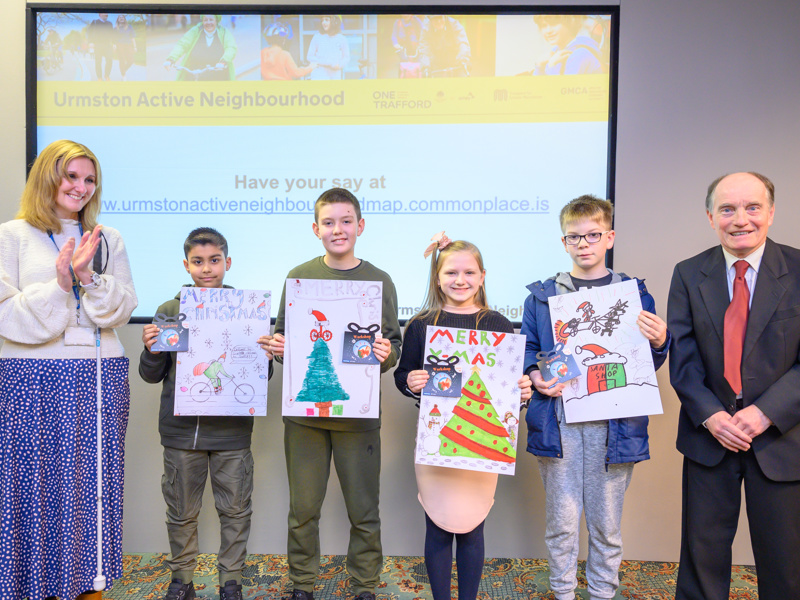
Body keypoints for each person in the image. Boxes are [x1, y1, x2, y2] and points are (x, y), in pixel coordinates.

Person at [0, 140, 138, 599]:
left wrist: (86, 278)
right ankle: (28, 583)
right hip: (29, 379)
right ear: (47, 177)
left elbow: (120, 310)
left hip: (98, 374)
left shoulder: (107, 238)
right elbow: (6, 317)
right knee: (32, 482)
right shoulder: (12, 235)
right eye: (71, 176)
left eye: (89, 179)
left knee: (89, 486)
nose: (81, 187)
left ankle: (86, 585)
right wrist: (59, 285)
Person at [520, 195, 670, 600]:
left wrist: (660, 342)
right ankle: (563, 592)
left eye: (593, 235)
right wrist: (536, 376)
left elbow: (645, 361)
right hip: (560, 420)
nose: (584, 243)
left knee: (606, 523)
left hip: (615, 425)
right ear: (564, 242)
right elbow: (525, 351)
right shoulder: (541, 296)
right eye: (575, 236)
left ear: (609, 237)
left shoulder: (633, 293)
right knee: (563, 522)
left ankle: (603, 593)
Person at [263, 188, 402, 600]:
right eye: (328, 222)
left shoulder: (380, 280)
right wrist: (279, 348)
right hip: (304, 419)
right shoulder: (299, 276)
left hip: (358, 417)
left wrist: (385, 353)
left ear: (360, 226)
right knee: (302, 511)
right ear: (315, 229)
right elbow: (287, 340)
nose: (337, 229)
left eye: (345, 221)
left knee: (364, 511)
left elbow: (391, 346)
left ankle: (364, 586)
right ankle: (302, 585)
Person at [667, 172, 800, 600]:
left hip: (782, 441)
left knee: (787, 567)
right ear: (710, 217)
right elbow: (683, 361)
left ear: (771, 212)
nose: (740, 219)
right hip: (710, 440)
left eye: (752, 207)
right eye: (727, 209)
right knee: (701, 567)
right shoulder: (688, 273)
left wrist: (764, 413)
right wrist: (712, 416)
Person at [393, 235, 532, 600]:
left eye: (469, 272)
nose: (460, 279)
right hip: (437, 438)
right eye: (451, 272)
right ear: (437, 277)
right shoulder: (421, 325)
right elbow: (402, 376)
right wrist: (411, 381)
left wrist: (522, 391)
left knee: (473, 528)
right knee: (437, 527)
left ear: (482, 276)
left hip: (482, 444)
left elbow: (506, 388)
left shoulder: (499, 324)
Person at [140, 228, 263, 600]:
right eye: (198, 262)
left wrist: (266, 353)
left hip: (231, 433)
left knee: (236, 511)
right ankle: (182, 580)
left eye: (214, 261)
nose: (206, 269)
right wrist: (152, 350)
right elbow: (150, 375)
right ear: (186, 264)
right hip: (182, 434)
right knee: (180, 511)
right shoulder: (170, 310)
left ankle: (231, 582)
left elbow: (258, 375)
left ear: (227, 262)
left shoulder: (248, 309)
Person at [164, 15, 237, 81]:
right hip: (194, 73)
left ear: (216, 21)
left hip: (218, 74)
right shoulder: (196, 30)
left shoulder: (224, 32)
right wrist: (171, 60)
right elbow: (182, 44)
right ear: (202, 21)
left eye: (211, 20)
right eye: (205, 20)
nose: (208, 22)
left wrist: (223, 62)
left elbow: (231, 48)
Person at [531, 15, 604, 75]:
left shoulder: (580, 54)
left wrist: (552, 66)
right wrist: (539, 67)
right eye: (544, 26)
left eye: (554, 24)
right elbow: (538, 90)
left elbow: (560, 91)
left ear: (569, 24)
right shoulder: (556, 53)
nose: (548, 31)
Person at [306, 15, 350, 80]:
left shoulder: (342, 38)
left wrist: (339, 65)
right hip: (319, 76)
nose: (323, 23)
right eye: (322, 20)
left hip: (335, 77)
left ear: (334, 22)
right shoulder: (317, 37)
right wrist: (326, 63)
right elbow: (309, 57)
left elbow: (346, 57)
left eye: (326, 20)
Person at [88, 12, 114, 81]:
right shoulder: (95, 22)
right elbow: (89, 32)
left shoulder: (110, 24)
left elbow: (112, 34)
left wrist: (114, 43)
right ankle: (99, 77)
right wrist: (90, 42)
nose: (106, 14)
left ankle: (106, 75)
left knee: (109, 60)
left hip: (107, 45)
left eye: (107, 14)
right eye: (104, 13)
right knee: (98, 61)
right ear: (100, 14)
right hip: (98, 44)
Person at [114, 15, 137, 81]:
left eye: (122, 17)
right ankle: (123, 75)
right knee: (122, 61)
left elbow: (132, 37)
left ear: (124, 19)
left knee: (131, 60)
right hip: (120, 45)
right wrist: (114, 46)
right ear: (118, 20)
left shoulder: (129, 27)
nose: (121, 18)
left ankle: (123, 71)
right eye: (119, 17)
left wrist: (135, 46)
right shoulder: (115, 28)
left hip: (128, 45)